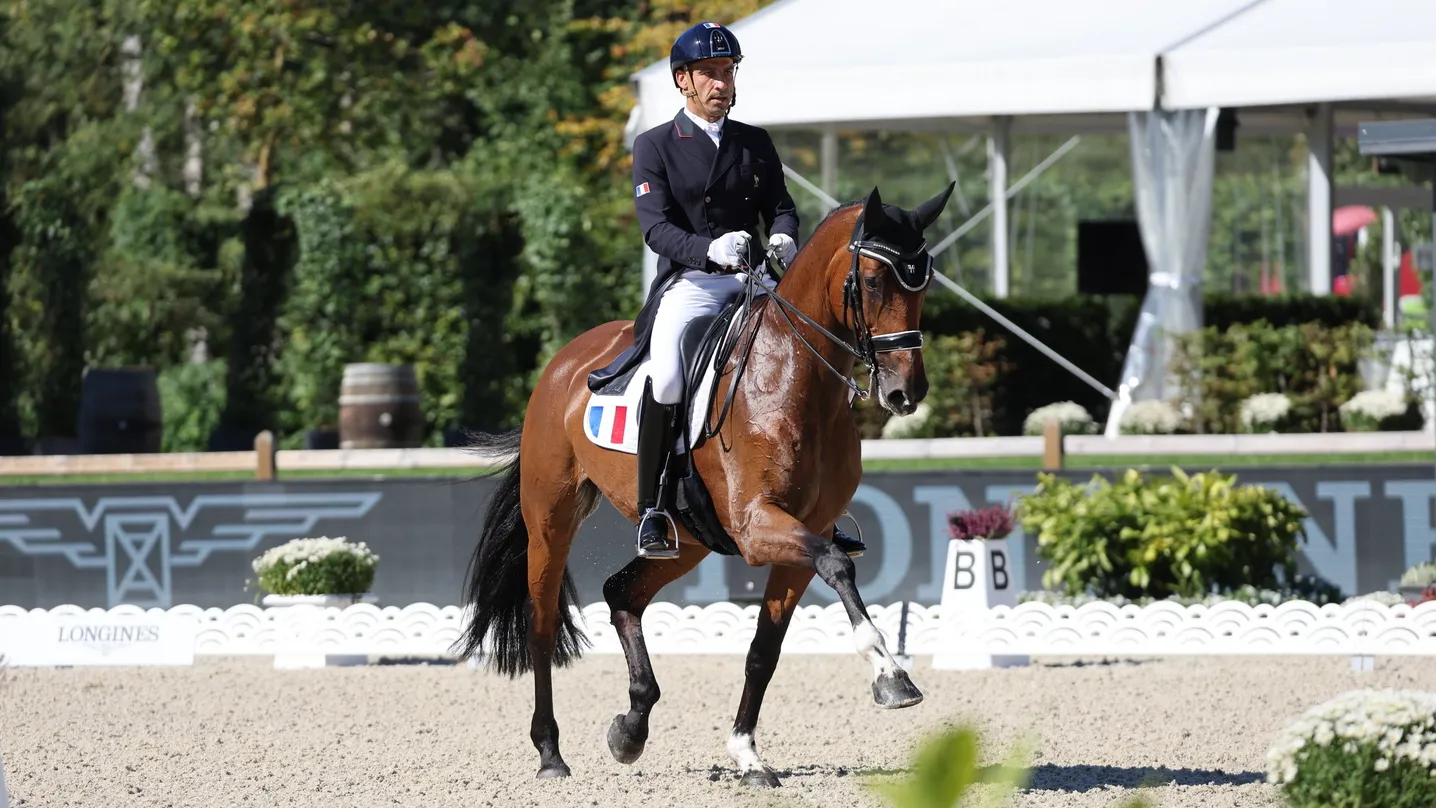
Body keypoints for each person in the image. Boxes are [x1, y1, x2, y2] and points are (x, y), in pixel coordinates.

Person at [596, 20, 866, 561]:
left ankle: (824, 504)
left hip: (754, 281)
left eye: (727, 71)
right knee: (667, 376)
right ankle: (653, 508)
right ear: (683, 80)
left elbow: (781, 208)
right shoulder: (655, 145)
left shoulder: (754, 142)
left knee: (812, 356)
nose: (721, 83)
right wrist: (708, 249)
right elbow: (656, 229)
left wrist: (785, 236)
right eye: (709, 74)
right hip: (692, 282)